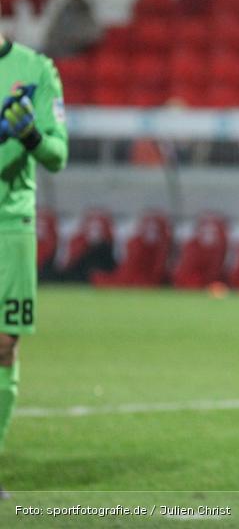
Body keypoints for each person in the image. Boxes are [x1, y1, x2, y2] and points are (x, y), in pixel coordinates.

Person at [0, 27, 69, 499]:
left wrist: (28, 134)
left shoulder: (35, 69)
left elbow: (57, 155)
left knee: (5, 346)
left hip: (10, 226)